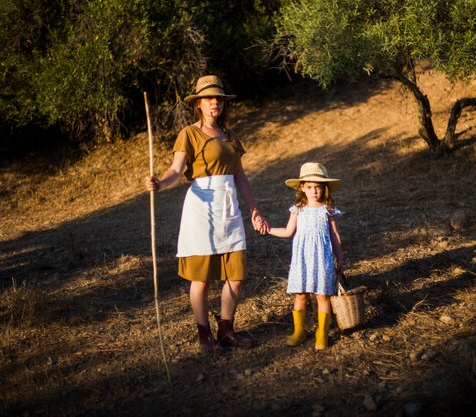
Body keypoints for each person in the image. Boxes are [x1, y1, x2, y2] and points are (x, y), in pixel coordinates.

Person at [145, 75, 268, 353]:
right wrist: (160, 183)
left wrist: (254, 209)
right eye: (209, 98)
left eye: (219, 98)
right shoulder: (189, 133)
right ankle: (204, 335)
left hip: (229, 207)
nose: (215, 102)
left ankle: (226, 330)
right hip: (201, 208)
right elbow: (176, 170)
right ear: (198, 104)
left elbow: (240, 176)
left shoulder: (230, 136)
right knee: (200, 278)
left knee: (235, 275)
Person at [267, 162, 343, 350]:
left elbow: (335, 235)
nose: (314, 191)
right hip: (302, 258)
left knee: (322, 296)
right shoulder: (298, 209)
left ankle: (321, 334)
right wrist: (268, 229)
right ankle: (299, 331)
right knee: (300, 294)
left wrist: (340, 257)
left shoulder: (328, 209)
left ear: (324, 188)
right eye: (309, 187)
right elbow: (287, 231)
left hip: (322, 258)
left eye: (318, 187)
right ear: (302, 188)